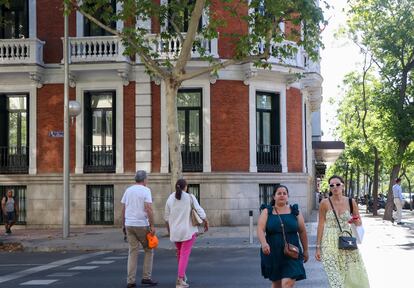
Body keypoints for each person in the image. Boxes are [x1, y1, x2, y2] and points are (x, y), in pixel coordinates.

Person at [315, 175, 370, 288]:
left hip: (347, 240)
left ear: (343, 186)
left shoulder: (351, 201)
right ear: (330, 188)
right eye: (332, 185)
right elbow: (320, 225)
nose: (335, 187)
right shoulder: (324, 203)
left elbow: (359, 222)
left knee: (351, 273)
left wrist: (354, 220)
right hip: (329, 242)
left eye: (338, 184)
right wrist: (318, 247)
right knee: (334, 276)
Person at [257, 185, 309, 288]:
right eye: (279, 193)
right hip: (273, 251)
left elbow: (302, 231)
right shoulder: (267, 211)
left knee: (287, 283)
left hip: (292, 251)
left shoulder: (295, 211)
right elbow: (260, 229)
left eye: (284, 193)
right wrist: (264, 243)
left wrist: (306, 250)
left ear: (287, 196)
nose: (282, 195)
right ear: (274, 196)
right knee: (276, 284)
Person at [164, 179, 208, 288]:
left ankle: (182, 276)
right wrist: (206, 221)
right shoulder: (190, 197)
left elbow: (166, 217)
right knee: (184, 255)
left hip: (175, 232)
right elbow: (199, 210)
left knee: (180, 254)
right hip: (188, 231)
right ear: (186, 187)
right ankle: (180, 280)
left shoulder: (170, 198)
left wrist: (170, 231)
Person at [121, 170, 158, 288]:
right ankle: (146, 277)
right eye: (147, 178)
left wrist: (123, 224)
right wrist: (152, 225)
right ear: (144, 180)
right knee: (149, 249)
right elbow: (149, 209)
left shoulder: (128, 190)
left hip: (129, 224)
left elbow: (123, 209)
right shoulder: (146, 190)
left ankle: (130, 281)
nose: (147, 180)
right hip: (141, 224)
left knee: (132, 252)